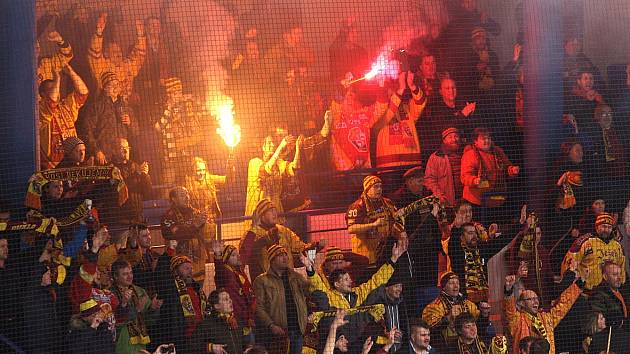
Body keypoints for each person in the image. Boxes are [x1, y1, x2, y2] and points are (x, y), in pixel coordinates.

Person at [503, 270, 586, 354]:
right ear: (521, 303)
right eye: (530, 299)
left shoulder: (546, 318)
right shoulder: (518, 320)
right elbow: (510, 310)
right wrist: (508, 290)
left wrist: (579, 284)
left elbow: (564, 305)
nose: (535, 302)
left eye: (536, 298)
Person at [240, 199, 323, 280]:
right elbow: (245, 257)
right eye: (270, 211)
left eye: (275, 210)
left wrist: (317, 246)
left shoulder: (284, 230)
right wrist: (264, 240)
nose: (275, 214)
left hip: (287, 280)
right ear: (262, 215)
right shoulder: (252, 234)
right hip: (266, 284)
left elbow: (301, 249)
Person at [253, 245, 309, 354]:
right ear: (272, 260)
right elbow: (258, 307)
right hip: (277, 333)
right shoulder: (262, 281)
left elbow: (310, 291)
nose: (285, 258)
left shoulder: (296, 277)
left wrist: (310, 269)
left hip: (298, 330)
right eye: (280, 255)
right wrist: (271, 325)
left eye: (285, 255)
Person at [78, 70, 139, 164]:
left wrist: (130, 123)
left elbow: (136, 132)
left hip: (122, 158)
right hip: (105, 158)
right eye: (111, 85)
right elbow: (87, 131)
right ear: (105, 88)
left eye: (117, 84)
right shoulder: (97, 106)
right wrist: (97, 151)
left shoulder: (126, 107)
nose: (116, 87)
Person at [460, 127, 519, 224]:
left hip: (497, 197)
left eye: (488, 138)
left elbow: (506, 168)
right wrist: (474, 180)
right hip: (477, 201)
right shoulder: (470, 154)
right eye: (483, 138)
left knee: (495, 229)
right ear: (475, 141)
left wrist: (512, 170)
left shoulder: (498, 152)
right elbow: (465, 176)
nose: (487, 141)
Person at [39, 61, 89, 169]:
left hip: (71, 161)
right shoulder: (41, 109)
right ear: (43, 95)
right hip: (52, 166)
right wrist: (57, 79)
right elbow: (51, 101)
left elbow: (83, 93)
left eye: (56, 87)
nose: (56, 90)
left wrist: (71, 72)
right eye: (52, 88)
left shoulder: (65, 106)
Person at [346, 175, 405, 264]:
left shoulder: (388, 203)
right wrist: (373, 225)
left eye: (381, 186)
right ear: (367, 189)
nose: (379, 189)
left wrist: (401, 233)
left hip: (385, 252)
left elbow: (395, 222)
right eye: (375, 187)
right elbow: (351, 229)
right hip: (365, 256)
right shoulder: (357, 206)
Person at [448, 221, 511, 302]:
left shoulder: (482, 250)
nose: (474, 236)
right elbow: (453, 243)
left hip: (483, 300)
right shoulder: (457, 253)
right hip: (464, 301)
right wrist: (456, 227)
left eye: (475, 233)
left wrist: (519, 224)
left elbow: (501, 241)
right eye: (470, 233)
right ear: (462, 237)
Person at [87, 13, 146, 99]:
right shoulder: (102, 66)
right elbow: (95, 53)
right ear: (106, 54)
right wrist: (98, 33)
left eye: (119, 51)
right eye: (114, 51)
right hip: (107, 108)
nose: (119, 53)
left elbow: (140, 55)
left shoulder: (128, 65)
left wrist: (141, 35)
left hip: (125, 107)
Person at [154, 255, 205, 354]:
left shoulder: (197, 289)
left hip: (200, 337)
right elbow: (160, 274)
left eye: (191, 268)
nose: (190, 271)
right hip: (182, 339)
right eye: (186, 268)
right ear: (175, 271)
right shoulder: (171, 289)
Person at [161, 187, 213, 282]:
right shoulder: (168, 216)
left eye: (187, 194)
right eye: (182, 195)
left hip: (198, 266)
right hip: (179, 265)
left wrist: (207, 225)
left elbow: (207, 238)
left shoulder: (196, 213)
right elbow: (174, 235)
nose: (187, 197)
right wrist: (195, 225)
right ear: (174, 198)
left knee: (197, 292)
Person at [110, 259, 163, 354]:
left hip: (140, 343)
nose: (130, 276)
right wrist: (136, 309)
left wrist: (153, 309)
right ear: (115, 276)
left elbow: (149, 321)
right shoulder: (109, 294)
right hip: (121, 343)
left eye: (131, 273)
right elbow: (114, 322)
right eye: (125, 274)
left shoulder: (140, 291)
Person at [562, 213, 626, 290]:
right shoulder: (584, 242)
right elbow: (569, 262)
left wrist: (621, 284)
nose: (606, 230)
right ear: (596, 227)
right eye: (604, 226)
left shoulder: (617, 246)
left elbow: (621, 267)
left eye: (609, 227)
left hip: (610, 294)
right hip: (587, 292)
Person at [245, 134, 302, 220]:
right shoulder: (254, 162)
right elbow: (266, 170)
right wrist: (280, 147)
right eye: (269, 143)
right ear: (263, 147)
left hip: (276, 210)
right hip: (260, 211)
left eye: (273, 143)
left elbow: (294, 168)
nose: (273, 145)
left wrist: (298, 149)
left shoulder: (278, 163)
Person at [418, 77, 476, 160]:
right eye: (447, 88)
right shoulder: (436, 109)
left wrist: (472, 114)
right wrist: (463, 114)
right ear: (441, 91)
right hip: (446, 154)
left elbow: (470, 129)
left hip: (466, 149)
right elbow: (446, 130)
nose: (451, 91)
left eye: (453, 88)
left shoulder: (462, 105)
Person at [422, 272, 482, 350]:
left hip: (470, 344)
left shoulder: (468, 304)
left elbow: (480, 325)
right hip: (446, 348)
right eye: (451, 283)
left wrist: (484, 314)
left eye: (457, 283)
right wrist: (447, 318)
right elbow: (429, 329)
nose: (456, 286)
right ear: (443, 287)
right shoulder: (434, 306)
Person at [212, 240, 256, 343]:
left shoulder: (239, 271)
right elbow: (219, 269)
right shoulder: (225, 273)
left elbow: (245, 250)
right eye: (233, 255)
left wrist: (253, 228)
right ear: (226, 260)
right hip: (235, 322)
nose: (238, 256)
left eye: (237, 254)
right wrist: (218, 255)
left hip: (247, 322)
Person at [185, 156, 230, 241]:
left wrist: (230, 166)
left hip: (210, 223)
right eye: (198, 170)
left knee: (211, 249)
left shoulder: (209, 179)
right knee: (198, 248)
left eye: (203, 170)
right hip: (195, 224)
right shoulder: (187, 184)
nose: (202, 173)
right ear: (192, 171)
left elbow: (227, 180)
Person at [111, 138, 152, 225]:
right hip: (120, 219)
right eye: (122, 148)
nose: (126, 151)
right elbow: (121, 189)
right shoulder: (111, 168)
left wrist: (145, 175)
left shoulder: (135, 166)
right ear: (114, 151)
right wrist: (138, 173)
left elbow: (148, 192)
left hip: (137, 217)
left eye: (127, 148)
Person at [193, 289, 244, 354]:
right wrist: (211, 347)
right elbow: (192, 346)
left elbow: (243, 342)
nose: (230, 301)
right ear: (216, 306)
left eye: (229, 298)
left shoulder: (235, 321)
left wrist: (247, 347)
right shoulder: (205, 325)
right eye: (226, 299)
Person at [424, 127, 464, 208]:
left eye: (456, 136)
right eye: (450, 137)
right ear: (444, 141)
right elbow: (430, 179)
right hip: (447, 203)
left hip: (466, 201)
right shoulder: (436, 157)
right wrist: (439, 196)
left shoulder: (466, 154)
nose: (454, 139)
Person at [588, 261, 629, 329]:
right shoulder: (598, 295)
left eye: (620, 274)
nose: (619, 277)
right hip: (612, 335)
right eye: (615, 274)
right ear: (605, 277)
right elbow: (599, 321)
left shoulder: (624, 292)